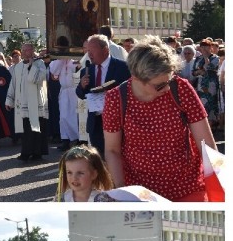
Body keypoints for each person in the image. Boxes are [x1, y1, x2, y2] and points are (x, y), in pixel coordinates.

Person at [103, 36, 217, 202]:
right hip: (140, 193)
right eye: (159, 85)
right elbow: (112, 150)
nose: (167, 88)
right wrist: (122, 191)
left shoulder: (181, 88)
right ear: (136, 77)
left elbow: (206, 146)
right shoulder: (116, 99)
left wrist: (217, 185)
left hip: (188, 187)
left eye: (169, 80)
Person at [76, 34, 131, 159]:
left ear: (105, 49)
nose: (89, 54)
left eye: (92, 50)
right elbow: (80, 94)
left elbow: (130, 91)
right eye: (87, 50)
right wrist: (82, 86)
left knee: (117, 157)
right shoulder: (86, 70)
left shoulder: (123, 67)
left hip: (117, 121)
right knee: (99, 160)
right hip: (95, 122)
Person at [5, 42, 49, 162]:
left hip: (36, 101)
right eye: (23, 50)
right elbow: (13, 84)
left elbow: (37, 79)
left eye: (27, 50)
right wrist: (9, 100)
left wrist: (32, 65)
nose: (24, 53)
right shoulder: (17, 67)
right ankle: (26, 152)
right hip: (22, 103)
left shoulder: (39, 64)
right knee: (26, 129)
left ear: (32, 51)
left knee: (37, 127)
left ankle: (37, 153)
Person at [192, 38, 220, 129]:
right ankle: (204, 127)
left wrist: (205, 57)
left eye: (206, 47)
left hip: (211, 85)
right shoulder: (197, 59)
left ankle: (211, 126)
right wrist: (199, 72)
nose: (204, 49)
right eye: (202, 47)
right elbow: (193, 72)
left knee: (210, 105)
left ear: (210, 47)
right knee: (201, 105)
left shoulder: (215, 58)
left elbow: (209, 67)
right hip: (200, 85)